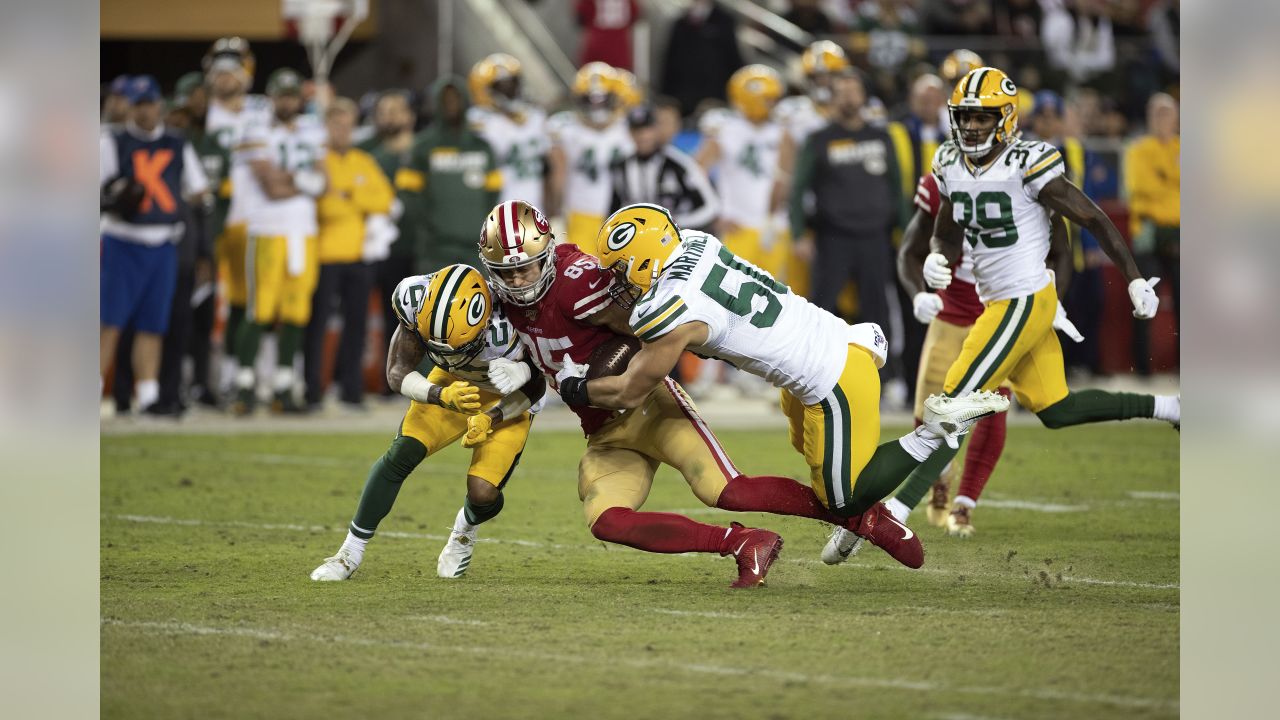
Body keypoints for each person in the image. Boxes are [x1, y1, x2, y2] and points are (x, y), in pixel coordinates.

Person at [478, 200, 931, 586]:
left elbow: (635, 358)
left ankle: (862, 516)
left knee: (728, 491)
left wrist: (581, 382)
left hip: (649, 404)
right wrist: (512, 393)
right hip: (602, 430)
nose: (516, 281)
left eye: (525, 268)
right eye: (506, 272)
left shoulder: (588, 286)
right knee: (607, 521)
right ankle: (742, 542)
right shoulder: (689, 245)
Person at [564, 203, 1011, 568]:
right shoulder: (698, 244)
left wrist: (575, 388)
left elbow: (629, 391)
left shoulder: (670, 309)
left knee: (843, 495)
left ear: (646, 261)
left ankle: (932, 432)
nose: (614, 281)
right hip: (816, 354)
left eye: (620, 270)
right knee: (812, 462)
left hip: (831, 376)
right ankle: (862, 521)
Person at [920, 67, 1178, 476]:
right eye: (965, 116)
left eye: (982, 117)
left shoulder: (1027, 161)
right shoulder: (949, 161)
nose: (970, 126)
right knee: (1057, 408)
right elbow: (947, 234)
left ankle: (892, 514)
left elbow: (1091, 218)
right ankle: (1171, 407)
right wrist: (937, 255)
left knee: (952, 403)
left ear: (1005, 118)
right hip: (997, 299)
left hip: (1023, 296)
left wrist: (1134, 278)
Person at [311, 264, 546, 580]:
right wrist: (439, 394)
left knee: (483, 492)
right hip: (450, 383)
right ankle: (349, 553)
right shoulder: (415, 298)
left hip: (508, 397)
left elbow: (537, 387)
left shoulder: (515, 322)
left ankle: (465, 528)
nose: (445, 351)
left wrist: (492, 417)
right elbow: (396, 372)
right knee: (402, 453)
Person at [884, 169, 1071, 538]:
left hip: (1000, 316)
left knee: (991, 410)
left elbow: (1061, 252)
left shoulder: (1027, 180)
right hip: (951, 317)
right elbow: (910, 250)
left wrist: (1050, 302)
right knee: (927, 417)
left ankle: (965, 504)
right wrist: (918, 292)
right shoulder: (941, 183)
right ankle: (939, 476)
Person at [789, 69, 907, 397]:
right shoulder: (819, 139)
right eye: (841, 91)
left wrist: (907, 232)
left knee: (877, 309)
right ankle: (810, 376)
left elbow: (897, 188)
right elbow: (798, 189)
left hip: (875, 237)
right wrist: (800, 233)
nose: (848, 97)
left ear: (864, 96)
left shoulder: (881, 137)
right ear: (833, 98)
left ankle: (881, 380)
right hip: (833, 238)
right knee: (822, 308)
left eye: (854, 90)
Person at [100, 75, 210, 413]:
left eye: (148, 104)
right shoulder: (112, 141)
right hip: (122, 239)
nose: (144, 111)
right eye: (137, 105)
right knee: (110, 322)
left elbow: (200, 189)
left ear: (158, 104)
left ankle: (148, 395)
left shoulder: (177, 143)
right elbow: (99, 190)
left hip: (163, 242)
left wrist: (178, 200)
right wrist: (115, 197)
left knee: (153, 324)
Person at [230, 69, 328, 415]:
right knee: (260, 309)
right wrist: (303, 180)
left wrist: (293, 179)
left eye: (292, 95)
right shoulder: (254, 129)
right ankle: (243, 385)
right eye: (281, 95)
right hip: (268, 230)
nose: (287, 101)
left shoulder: (313, 129)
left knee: (296, 311)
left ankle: (284, 387)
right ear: (271, 97)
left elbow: (323, 182)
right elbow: (271, 188)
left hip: (304, 233)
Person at [305, 98, 395, 410]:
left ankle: (350, 390)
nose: (342, 130)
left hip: (358, 254)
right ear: (327, 127)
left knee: (356, 324)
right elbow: (324, 207)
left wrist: (349, 194)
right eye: (336, 124)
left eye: (347, 125)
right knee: (317, 325)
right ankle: (312, 389)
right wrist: (350, 198)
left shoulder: (362, 160)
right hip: (324, 254)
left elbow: (384, 199)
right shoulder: (316, 159)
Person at [203, 37, 273, 402]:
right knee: (208, 301)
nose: (224, 78)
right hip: (210, 219)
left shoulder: (261, 109)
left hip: (253, 217)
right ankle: (209, 378)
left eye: (232, 70)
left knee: (247, 303)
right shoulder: (201, 112)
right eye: (219, 70)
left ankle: (237, 375)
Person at [770, 40, 851, 299]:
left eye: (832, 76)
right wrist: (774, 214)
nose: (825, 82)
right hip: (810, 209)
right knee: (805, 289)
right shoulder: (794, 113)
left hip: (850, 208)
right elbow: (785, 167)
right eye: (819, 77)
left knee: (851, 291)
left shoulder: (859, 109)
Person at [360, 91, 425, 398]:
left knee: (421, 318)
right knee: (385, 317)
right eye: (384, 111)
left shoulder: (425, 150)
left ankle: (421, 380)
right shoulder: (367, 153)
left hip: (419, 247)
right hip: (380, 249)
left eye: (396, 110)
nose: (390, 117)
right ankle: (388, 382)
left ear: (410, 116)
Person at [400, 76, 502, 270]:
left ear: (465, 101)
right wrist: (428, 229)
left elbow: (494, 195)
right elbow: (408, 196)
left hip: (476, 249)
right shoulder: (422, 146)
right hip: (435, 250)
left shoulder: (483, 147)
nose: (451, 104)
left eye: (456, 98)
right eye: (445, 100)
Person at [547, 62, 634, 247]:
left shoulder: (630, 126)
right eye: (590, 100)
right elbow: (557, 174)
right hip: (580, 214)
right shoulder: (564, 128)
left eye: (603, 99)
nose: (597, 107)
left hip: (626, 214)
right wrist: (554, 212)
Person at [1125, 93, 1180, 374]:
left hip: (1180, 232)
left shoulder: (1181, 147)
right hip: (1148, 231)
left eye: (1167, 113)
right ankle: (1143, 368)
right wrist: (1172, 182)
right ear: (1149, 118)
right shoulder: (1137, 149)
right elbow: (1141, 187)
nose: (1162, 119)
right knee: (1144, 300)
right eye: (1157, 114)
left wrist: (1163, 178)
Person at [608, 103, 719, 229]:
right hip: (637, 238)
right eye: (637, 130)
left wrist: (678, 225)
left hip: (676, 238)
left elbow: (710, 205)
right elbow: (614, 208)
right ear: (630, 133)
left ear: (656, 130)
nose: (643, 135)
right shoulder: (621, 167)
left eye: (647, 129)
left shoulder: (679, 163)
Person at [467, 54, 549, 209]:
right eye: (502, 87)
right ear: (483, 91)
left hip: (535, 209)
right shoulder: (480, 122)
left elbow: (549, 169)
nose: (512, 92)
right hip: (497, 211)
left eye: (513, 85)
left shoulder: (536, 118)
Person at [660, 0, 743, 116]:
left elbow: (733, 58)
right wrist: (666, 94)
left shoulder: (725, 21)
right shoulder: (680, 23)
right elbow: (670, 61)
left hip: (714, 98)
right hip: (684, 99)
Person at [575, 0, 639, 71]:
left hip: (597, 43)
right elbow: (635, 13)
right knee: (619, 78)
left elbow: (581, 17)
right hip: (619, 47)